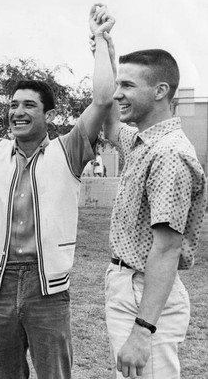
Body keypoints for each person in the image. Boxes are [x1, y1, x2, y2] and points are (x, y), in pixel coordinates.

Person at [0, 4, 115, 379]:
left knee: (54, 374)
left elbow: (101, 100)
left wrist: (100, 41)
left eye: (29, 105)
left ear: (47, 113)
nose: (18, 112)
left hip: (47, 287)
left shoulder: (69, 148)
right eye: (13, 105)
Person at [102, 44, 207, 378]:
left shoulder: (169, 154)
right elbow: (108, 124)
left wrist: (143, 330)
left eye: (128, 86)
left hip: (144, 294)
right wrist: (105, 48)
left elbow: (167, 249)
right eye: (118, 85)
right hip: (129, 287)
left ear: (161, 91)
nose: (118, 95)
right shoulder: (142, 141)